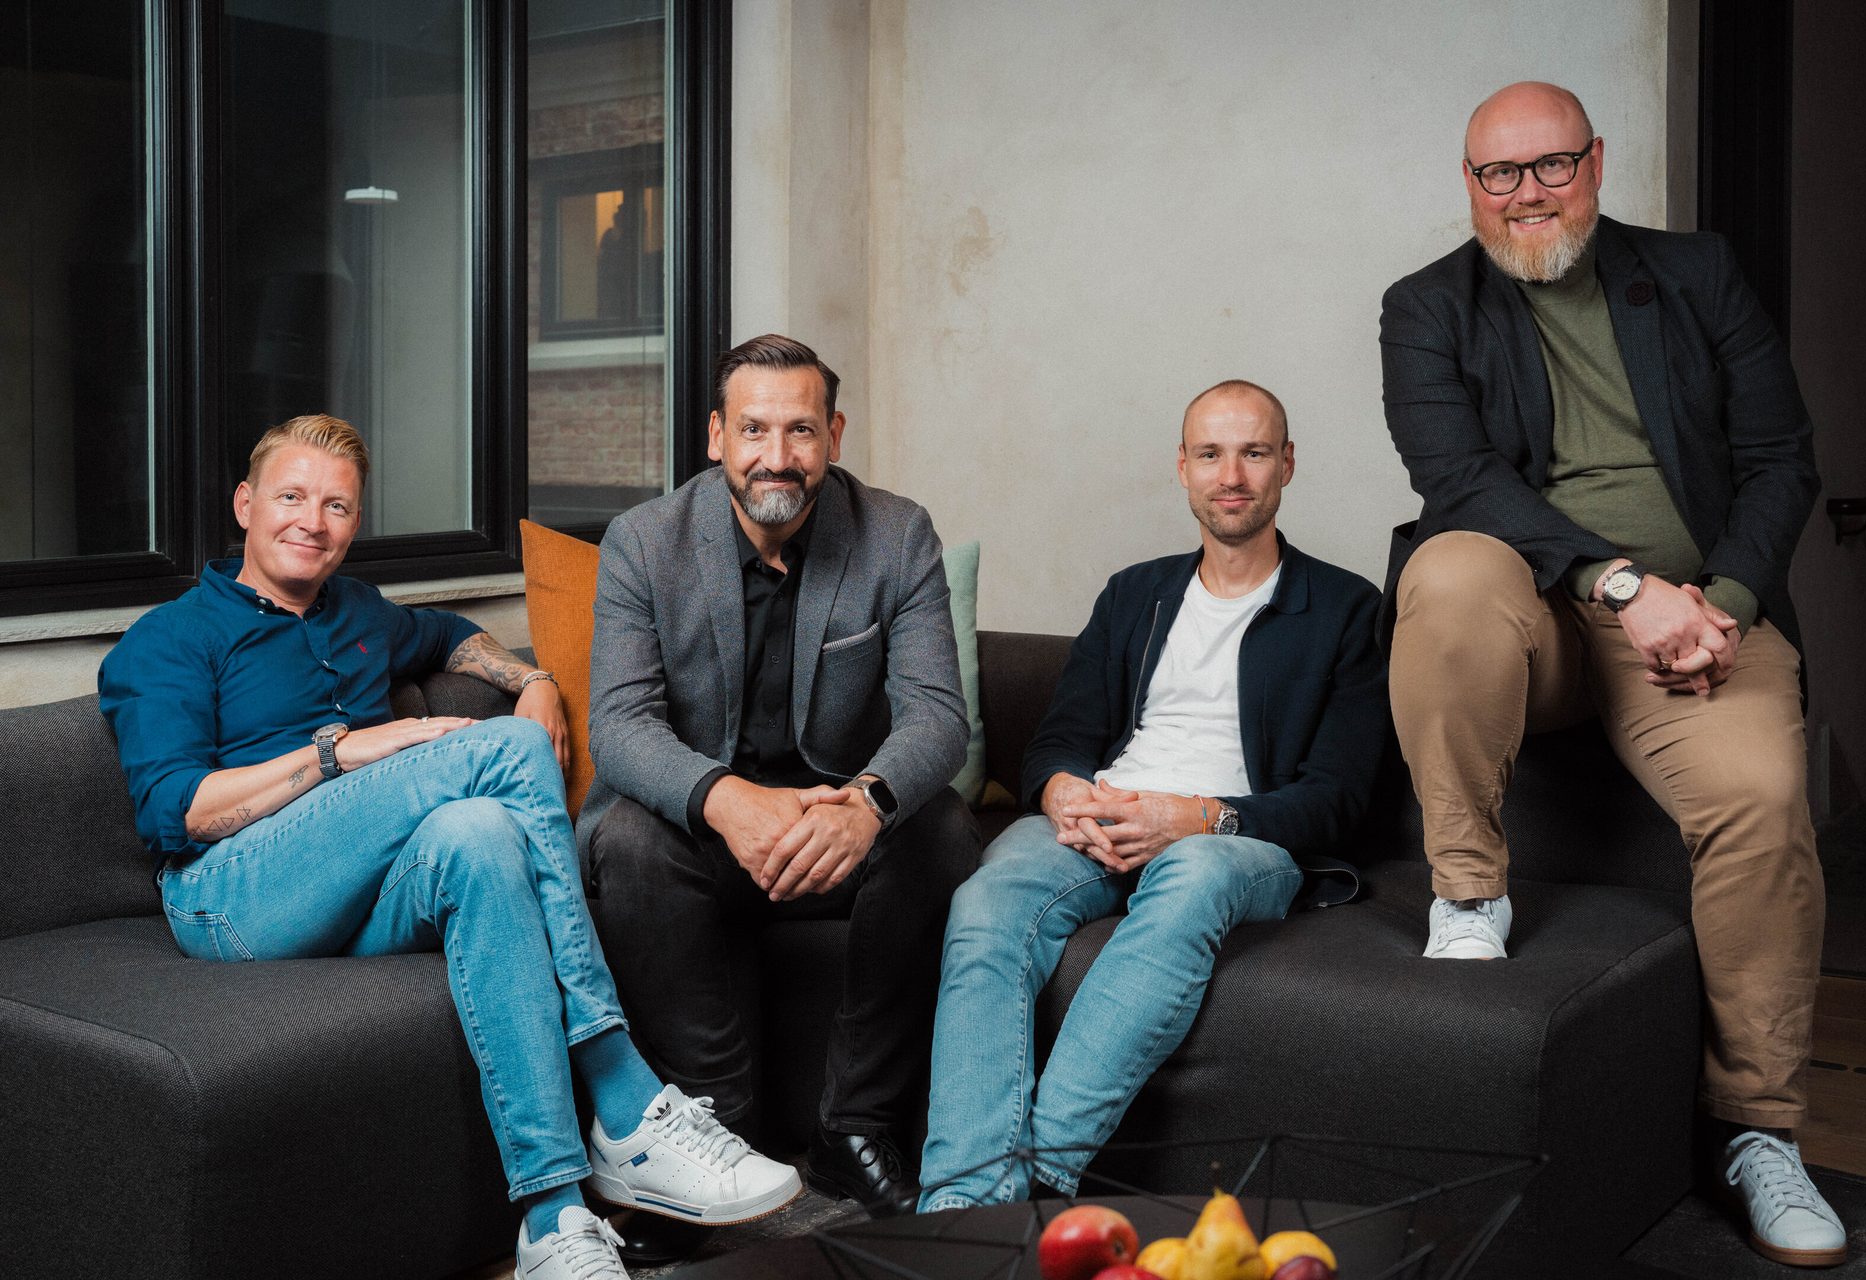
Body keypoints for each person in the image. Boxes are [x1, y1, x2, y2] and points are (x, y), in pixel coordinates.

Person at [99, 415, 800, 1280]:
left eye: (337, 507)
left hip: (354, 886)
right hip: (231, 896)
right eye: (290, 497)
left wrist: (533, 678)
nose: (311, 522)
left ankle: (552, 1219)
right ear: (245, 504)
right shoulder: (170, 638)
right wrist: (336, 752)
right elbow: (179, 813)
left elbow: (447, 636)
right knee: (503, 748)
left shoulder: (356, 612)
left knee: (481, 835)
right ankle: (622, 1091)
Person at [1378, 82, 1841, 1266]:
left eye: (1552, 166)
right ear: (1469, 184)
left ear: (1597, 160)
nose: (1527, 193)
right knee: (1448, 567)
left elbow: (1782, 459)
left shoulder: (1696, 274)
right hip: (1543, 612)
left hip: (1705, 624)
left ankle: (1757, 1129)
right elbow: (1460, 476)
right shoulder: (1427, 306)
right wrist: (1625, 589)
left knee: (1763, 799)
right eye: (1500, 174)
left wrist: (1719, 604)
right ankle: (1471, 895)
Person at [917, 380, 1389, 1210]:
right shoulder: (1137, 592)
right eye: (1210, 454)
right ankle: (963, 1207)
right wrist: (1065, 793)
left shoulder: (1346, 608)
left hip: (1235, 841)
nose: (1231, 474)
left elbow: (1339, 797)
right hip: (1106, 814)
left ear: (1287, 465)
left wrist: (1193, 818)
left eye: (1252, 452)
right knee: (988, 899)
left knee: (1194, 877)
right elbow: (1061, 740)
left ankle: (1035, 1180)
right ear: (1183, 467)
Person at [581, 334, 977, 1216]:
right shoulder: (643, 542)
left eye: (800, 430)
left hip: (835, 833)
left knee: (942, 825)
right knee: (629, 838)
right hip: (702, 833)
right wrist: (726, 801)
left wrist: (868, 807)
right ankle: (708, 1135)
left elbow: (938, 717)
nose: (778, 456)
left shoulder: (897, 534)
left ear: (833, 434)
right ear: (716, 435)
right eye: (754, 429)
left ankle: (855, 1128)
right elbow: (620, 725)